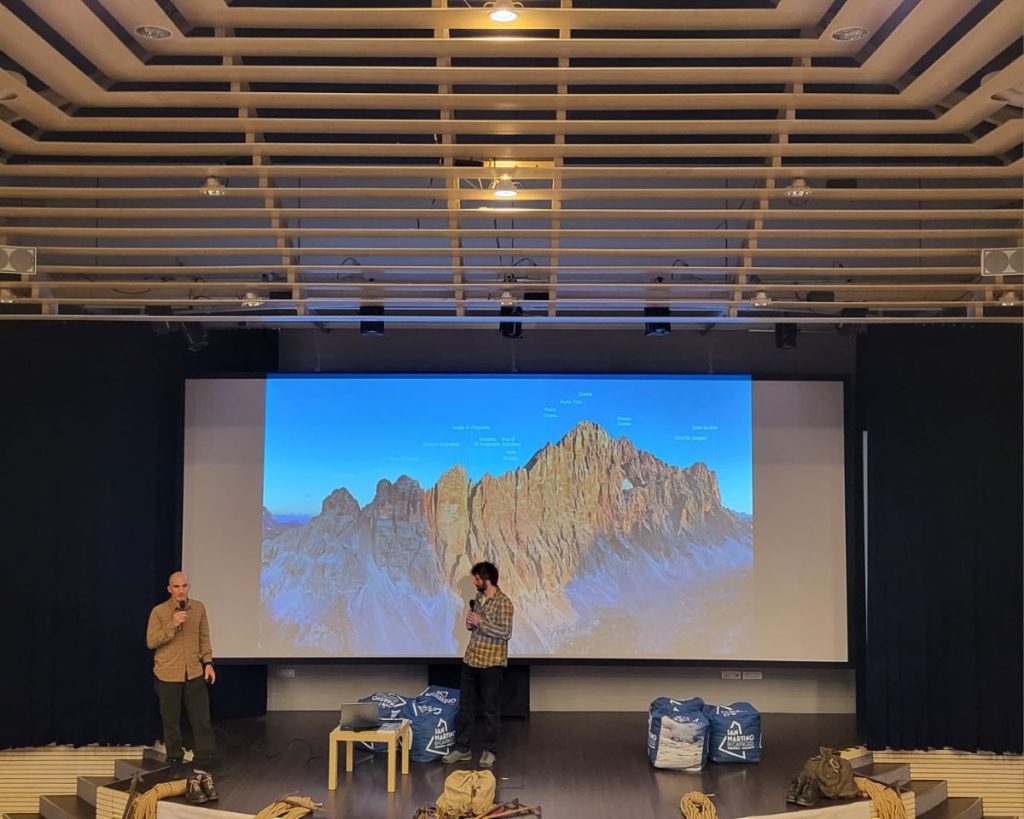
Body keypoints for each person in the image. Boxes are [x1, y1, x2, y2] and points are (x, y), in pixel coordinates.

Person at [442, 561, 514, 769]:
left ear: (486, 579)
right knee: (466, 707)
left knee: (490, 709)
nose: (475, 582)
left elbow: (505, 633)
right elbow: (477, 628)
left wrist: (481, 623)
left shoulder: (504, 603)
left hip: (491, 663)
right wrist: (471, 624)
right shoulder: (479, 600)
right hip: (471, 659)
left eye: (477, 578)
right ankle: (462, 748)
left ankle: (490, 750)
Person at [146, 571, 217, 769]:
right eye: (176, 587)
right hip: (167, 673)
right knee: (171, 720)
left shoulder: (198, 608)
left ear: (189, 587)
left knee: (201, 718)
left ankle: (205, 757)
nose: (181, 590)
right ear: (169, 589)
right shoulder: (159, 612)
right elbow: (151, 641)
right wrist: (173, 624)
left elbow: (204, 637)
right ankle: (174, 757)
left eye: (184, 586)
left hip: (194, 671)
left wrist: (208, 663)